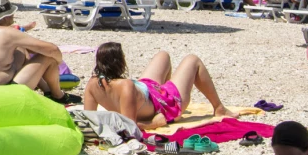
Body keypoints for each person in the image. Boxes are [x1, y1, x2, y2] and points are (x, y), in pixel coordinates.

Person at [82, 42, 225, 126]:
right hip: (165, 104)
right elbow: (129, 127)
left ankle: (168, 87)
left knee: (163, 55)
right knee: (193, 60)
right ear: (119, 62)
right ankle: (219, 108)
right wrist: (154, 124)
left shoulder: (92, 84)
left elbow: (89, 120)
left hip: (148, 90)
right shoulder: (126, 86)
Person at [0, 23, 68, 99]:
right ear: (7, 16)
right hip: (0, 97)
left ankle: (47, 90)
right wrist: (57, 63)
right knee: (49, 57)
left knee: (20, 49)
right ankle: (58, 96)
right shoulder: (8, 33)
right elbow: (53, 50)